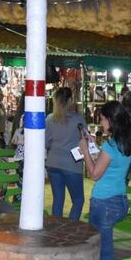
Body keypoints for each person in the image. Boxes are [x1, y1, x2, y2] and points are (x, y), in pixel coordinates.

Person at [79, 100, 131, 260]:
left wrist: (85, 151)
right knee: (103, 244)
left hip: (104, 203)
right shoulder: (124, 143)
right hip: (120, 200)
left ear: (110, 120)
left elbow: (94, 174)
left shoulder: (110, 146)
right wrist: (94, 147)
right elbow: (110, 165)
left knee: (103, 249)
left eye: (102, 119)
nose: (101, 123)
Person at [45, 87, 86, 220]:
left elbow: (45, 143)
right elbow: (85, 140)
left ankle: (56, 230)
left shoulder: (50, 119)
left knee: (58, 200)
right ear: (70, 100)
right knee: (78, 200)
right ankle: (71, 229)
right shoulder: (78, 119)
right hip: (71, 164)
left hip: (53, 162)